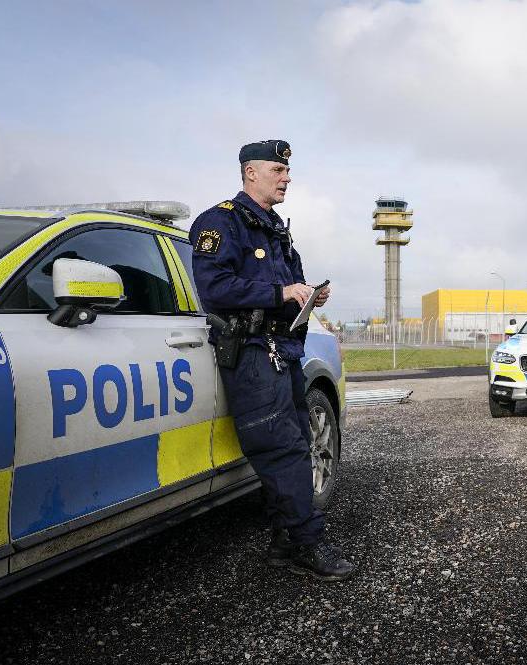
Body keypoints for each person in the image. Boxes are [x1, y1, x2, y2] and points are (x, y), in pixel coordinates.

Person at [188, 140, 355, 582]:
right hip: (252, 352)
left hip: (284, 350)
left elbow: (287, 284)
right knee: (282, 448)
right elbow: (214, 288)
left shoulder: (274, 227)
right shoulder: (221, 221)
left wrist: (308, 293)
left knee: (296, 441)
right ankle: (307, 543)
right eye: (278, 170)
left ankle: (284, 540)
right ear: (251, 173)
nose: (287, 178)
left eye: (287, 171)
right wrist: (280, 293)